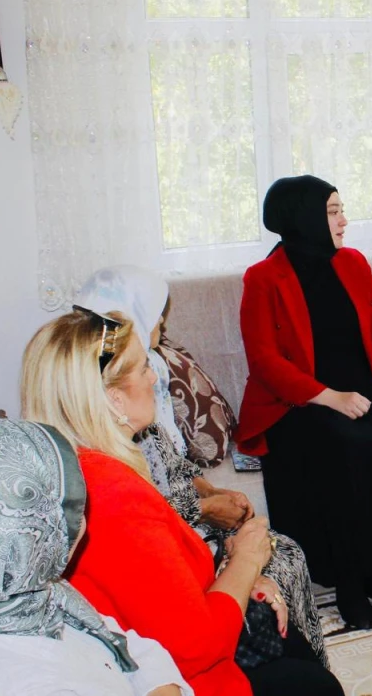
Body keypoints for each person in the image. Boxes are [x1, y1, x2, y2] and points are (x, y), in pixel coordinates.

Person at [21, 309, 343, 696]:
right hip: (178, 678)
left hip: (150, 651)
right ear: (114, 398)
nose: (153, 378)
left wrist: (239, 579)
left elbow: (157, 595)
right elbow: (197, 648)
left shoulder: (69, 470)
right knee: (314, 684)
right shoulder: (113, 494)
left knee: (292, 649)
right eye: (143, 368)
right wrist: (247, 559)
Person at [75, 265, 326, 666]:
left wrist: (213, 492)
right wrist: (220, 529)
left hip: (187, 529)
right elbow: (152, 523)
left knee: (281, 549)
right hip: (183, 557)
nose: (151, 377)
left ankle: (289, 654)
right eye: (142, 370)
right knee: (280, 556)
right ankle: (274, 656)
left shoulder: (134, 412)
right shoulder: (105, 457)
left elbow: (175, 465)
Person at [236, 175, 372, 630]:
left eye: (341, 210)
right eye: (333, 211)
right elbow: (264, 361)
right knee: (347, 447)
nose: (343, 220)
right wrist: (329, 397)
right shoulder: (263, 278)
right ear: (304, 217)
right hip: (298, 399)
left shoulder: (353, 262)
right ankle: (350, 583)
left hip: (364, 385)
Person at [0, 418, 190, 696]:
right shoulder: (29, 681)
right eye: (62, 509)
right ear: (16, 534)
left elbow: (134, 648)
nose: (80, 523)